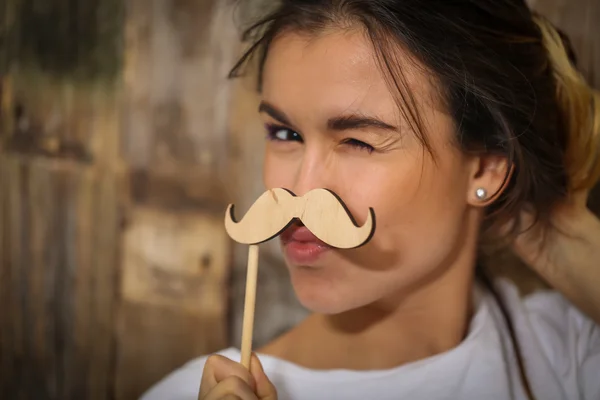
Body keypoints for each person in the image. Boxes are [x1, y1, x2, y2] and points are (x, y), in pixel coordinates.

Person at [142, 1, 600, 399]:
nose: (299, 190)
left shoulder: (567, 355)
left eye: (358, 141)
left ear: (484, 168)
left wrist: (545, 223)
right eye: (284, 133)